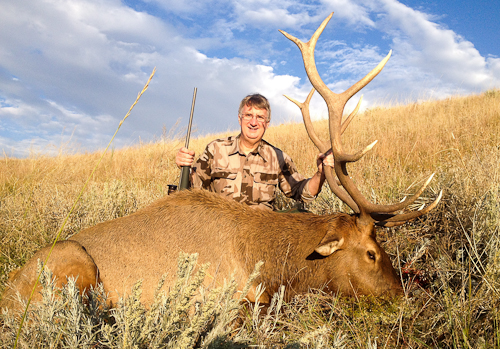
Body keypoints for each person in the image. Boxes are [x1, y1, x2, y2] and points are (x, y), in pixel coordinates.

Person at [175, 93, 334, 210]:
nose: (253, 122)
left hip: (260, 234)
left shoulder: (277, 157)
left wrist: (320, 174)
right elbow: (192, 187)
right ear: (239, 118)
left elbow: (302, 194)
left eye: (260, 117)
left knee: (301, 214)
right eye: (248, 115)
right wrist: (185, 167)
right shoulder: (216, 149)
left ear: (267, 123)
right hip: (219, 230)